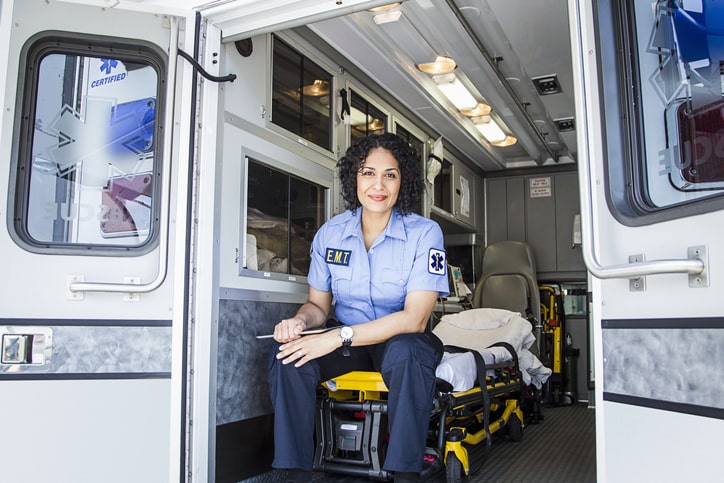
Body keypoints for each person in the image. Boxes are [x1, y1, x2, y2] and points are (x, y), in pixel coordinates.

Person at [268, 132, 449, 483]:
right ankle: (294, 472)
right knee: (287, 354)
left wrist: (337, 337)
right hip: (348, 344)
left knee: (408, 352)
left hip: (399, 341)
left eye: (390, 175)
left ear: (403, 182)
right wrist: (300, 322)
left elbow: (415, 319)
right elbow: (317, 305)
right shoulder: (330, 234)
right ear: (355, 177)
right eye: (368, 172)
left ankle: (404, 472)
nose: (377, 185)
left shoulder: (425, 234)